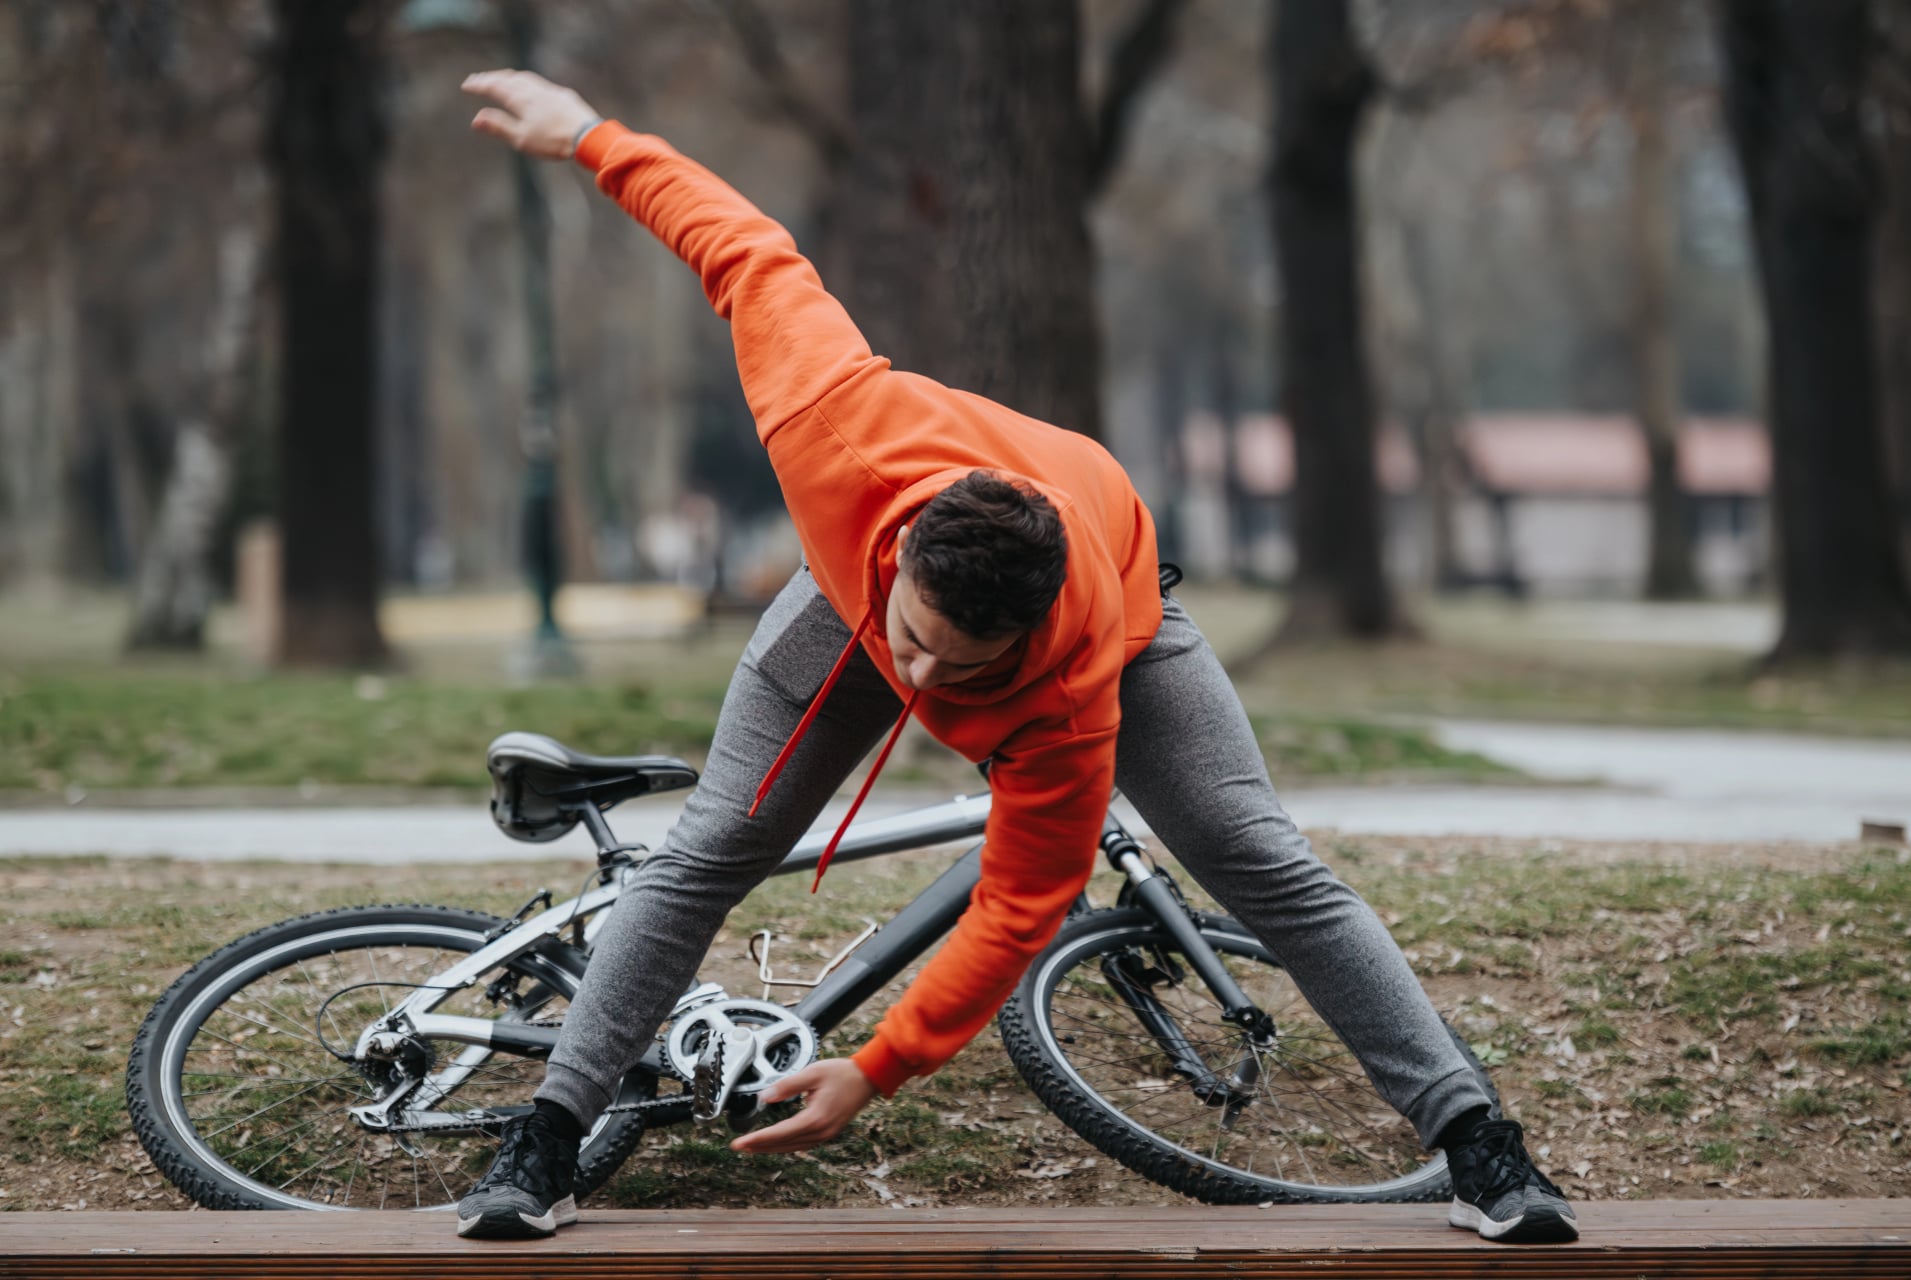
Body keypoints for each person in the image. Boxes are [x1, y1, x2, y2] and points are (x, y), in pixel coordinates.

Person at [452, 68, 1578, 1247]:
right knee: (713, 845)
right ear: (903, 564)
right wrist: (588, 137)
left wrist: (878, 1068)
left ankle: (1479, 1143)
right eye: (919, 643)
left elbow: (1016, 905)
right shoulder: (835, 425)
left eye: (963, 665)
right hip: (838, 604)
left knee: (1263, 859)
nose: (926, 683)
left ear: (1025, 639)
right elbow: (743, 246)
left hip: (1128, 619)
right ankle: (548, 1136)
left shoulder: (1071, 692)